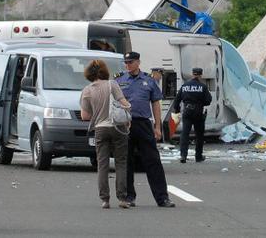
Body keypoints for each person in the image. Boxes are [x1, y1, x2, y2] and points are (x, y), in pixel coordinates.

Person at [115, 52, 176, 208]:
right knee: (126, 161)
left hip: (143, 124)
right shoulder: (119, 80)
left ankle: (162, 198)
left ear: (138, 62)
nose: (127, 65)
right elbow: (113, 103)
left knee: (153, 161)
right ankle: (128, 197)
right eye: (126, 62)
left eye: (130, 62)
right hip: (125, 124)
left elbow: (155, 103)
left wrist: (157, 127)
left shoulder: (148, 80)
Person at [80, 59, 132, 209]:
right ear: (104, 71)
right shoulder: (112, 84)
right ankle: (122, 198)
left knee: (102, 164)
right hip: (117, 127)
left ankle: (105, 199)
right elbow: (125, 104)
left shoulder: (87, 90)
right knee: (120, 162)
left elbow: (84, 116)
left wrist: (97, 113)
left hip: (100, 129)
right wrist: (128, 111)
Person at [172, 67, 212, 164]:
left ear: (192, 74)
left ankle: (183, 156)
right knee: (199, 135)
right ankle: (198, 156)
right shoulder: (202, 86)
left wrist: (177, 110)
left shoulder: (185, 86)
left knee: (185, 134)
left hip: (187, 111)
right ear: (200, 75)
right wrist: (200, 103)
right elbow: (208, 100)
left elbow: (177, 100)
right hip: (198, 112)